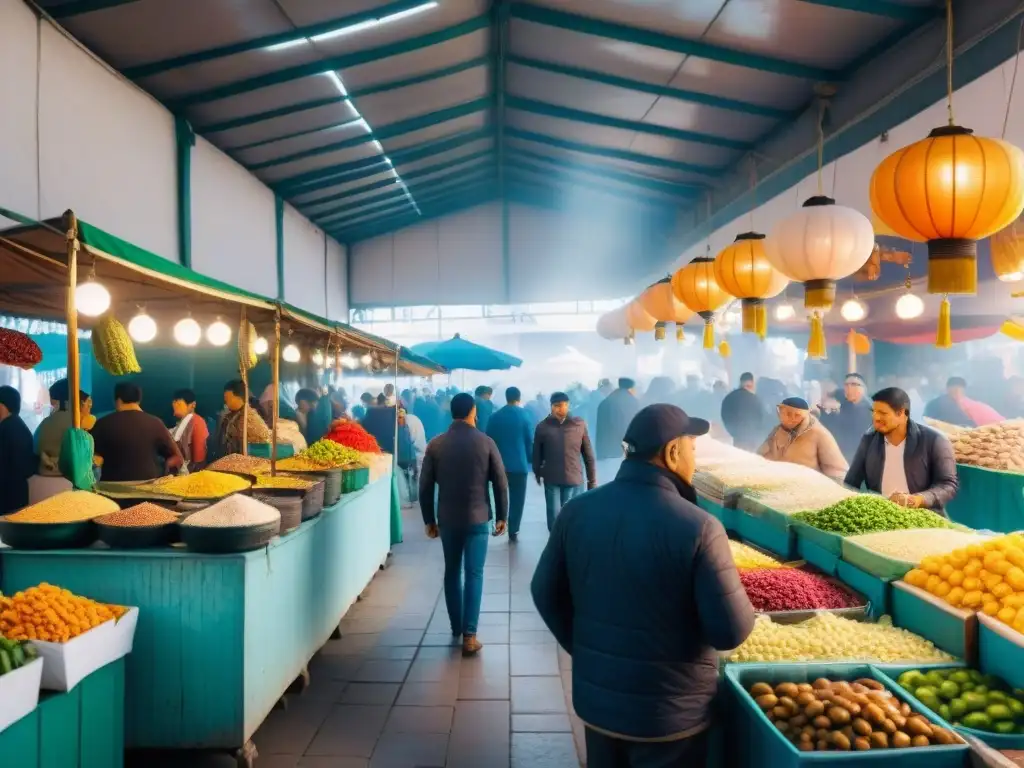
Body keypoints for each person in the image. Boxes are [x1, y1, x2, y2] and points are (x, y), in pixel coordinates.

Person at [531, 403, 755, 766]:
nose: (694, 459)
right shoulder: (699, 526)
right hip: (671, 715)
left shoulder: (577, 512)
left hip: (598, 706)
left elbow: (544, 593)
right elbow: (730, 631)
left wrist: (590, 652)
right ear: (672, 452)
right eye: (693, 448)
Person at [419, 393, 508, 656]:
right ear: (473, 412)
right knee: (474, 574)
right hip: (478, 517)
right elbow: (500, 482)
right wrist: (503, 515)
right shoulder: (486, 442)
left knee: (452, 571)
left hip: (448, 519)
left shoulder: (436, 445)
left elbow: (424, 487)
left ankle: (456, 627)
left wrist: (429, 520)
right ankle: (470, 636)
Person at [846, 387, 959, 514]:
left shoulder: (934, 440)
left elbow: (948, 485)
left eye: (883, 413)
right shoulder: (869, 439)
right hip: (881, 515)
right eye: (874, 412)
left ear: (901, 414)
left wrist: (917, 499)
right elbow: (851, 482)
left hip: (924, 517)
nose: (876, 418)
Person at [91, 382, 182, 482]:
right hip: (148, 487)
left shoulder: (103, 423)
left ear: (118, 400)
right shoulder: (156, 423)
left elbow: (88, 456)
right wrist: (163, 471)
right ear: (139, 400)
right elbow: (178, 458)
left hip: (113, 489)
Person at [534, 392, 597, 532]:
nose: (559, 409)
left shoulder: (579, 424)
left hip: (574, 478)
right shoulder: (542, 427)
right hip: (552, 477)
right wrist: (537, 471)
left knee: (571, 515)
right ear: (551, 407)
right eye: (556, 406)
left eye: (562, 405)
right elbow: (537, 452)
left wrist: (592, 480)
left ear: (568, 405)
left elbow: (588, 454)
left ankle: (569, 544)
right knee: (553, 515)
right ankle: (556, 544)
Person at [758, 397, 848, 481]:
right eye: (784, 413)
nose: (789, 418)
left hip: (809, 490)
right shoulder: (778, 431)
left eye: (795, 415)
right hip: (778, 486)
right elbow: (761, 457)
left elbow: (837, 471)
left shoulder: (818, 434)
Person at [486, 386, 534, 542]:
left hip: (499, 464)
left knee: (499, 496)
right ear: (518, 398)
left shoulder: (495, 417)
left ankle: (499, 523)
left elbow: (488, 440)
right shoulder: (524, 415)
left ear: (506, 398)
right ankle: (514, 529)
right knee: (517, 498)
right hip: (519, 465)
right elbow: (529, 440)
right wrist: (532, 460)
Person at [819, 373, 874, 462]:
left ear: (863, 388)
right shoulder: (848, 401)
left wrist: (827, 412)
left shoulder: (866, 409)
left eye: (853, 385)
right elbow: (835, 393)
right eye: (846, 385)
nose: (849, 388)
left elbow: (842, 426)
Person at [0, 386, 36, 515]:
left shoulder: (6, 429)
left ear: (2, 406)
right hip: (18, 495)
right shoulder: (19, 426)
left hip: (6, 497)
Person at [213, 380, 271, 458]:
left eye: (227, 397)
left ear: (238, 398)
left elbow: (262, 446)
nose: (225, 400)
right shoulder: (229, 415)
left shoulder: (249, 418)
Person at [595, 378, 640, 475]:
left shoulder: (607, 400)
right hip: (619, 452)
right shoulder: (631, 402)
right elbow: (626, 426)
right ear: (631, 388)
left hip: (605, 451)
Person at [719, 372, 767, 451]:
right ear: (752, 383)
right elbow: (762, 418)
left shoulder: (730, 397)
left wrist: (733, 432)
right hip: (752, 439)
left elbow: (724, 415)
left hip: (737, 437)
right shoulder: (756, 399)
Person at [170, 388, 210, 473]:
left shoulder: (197, 422)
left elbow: (199, 458)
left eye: (179, 404)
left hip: (190, 474)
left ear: (192, 404)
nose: (176, 407)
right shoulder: (181, 423)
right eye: (174, 404)